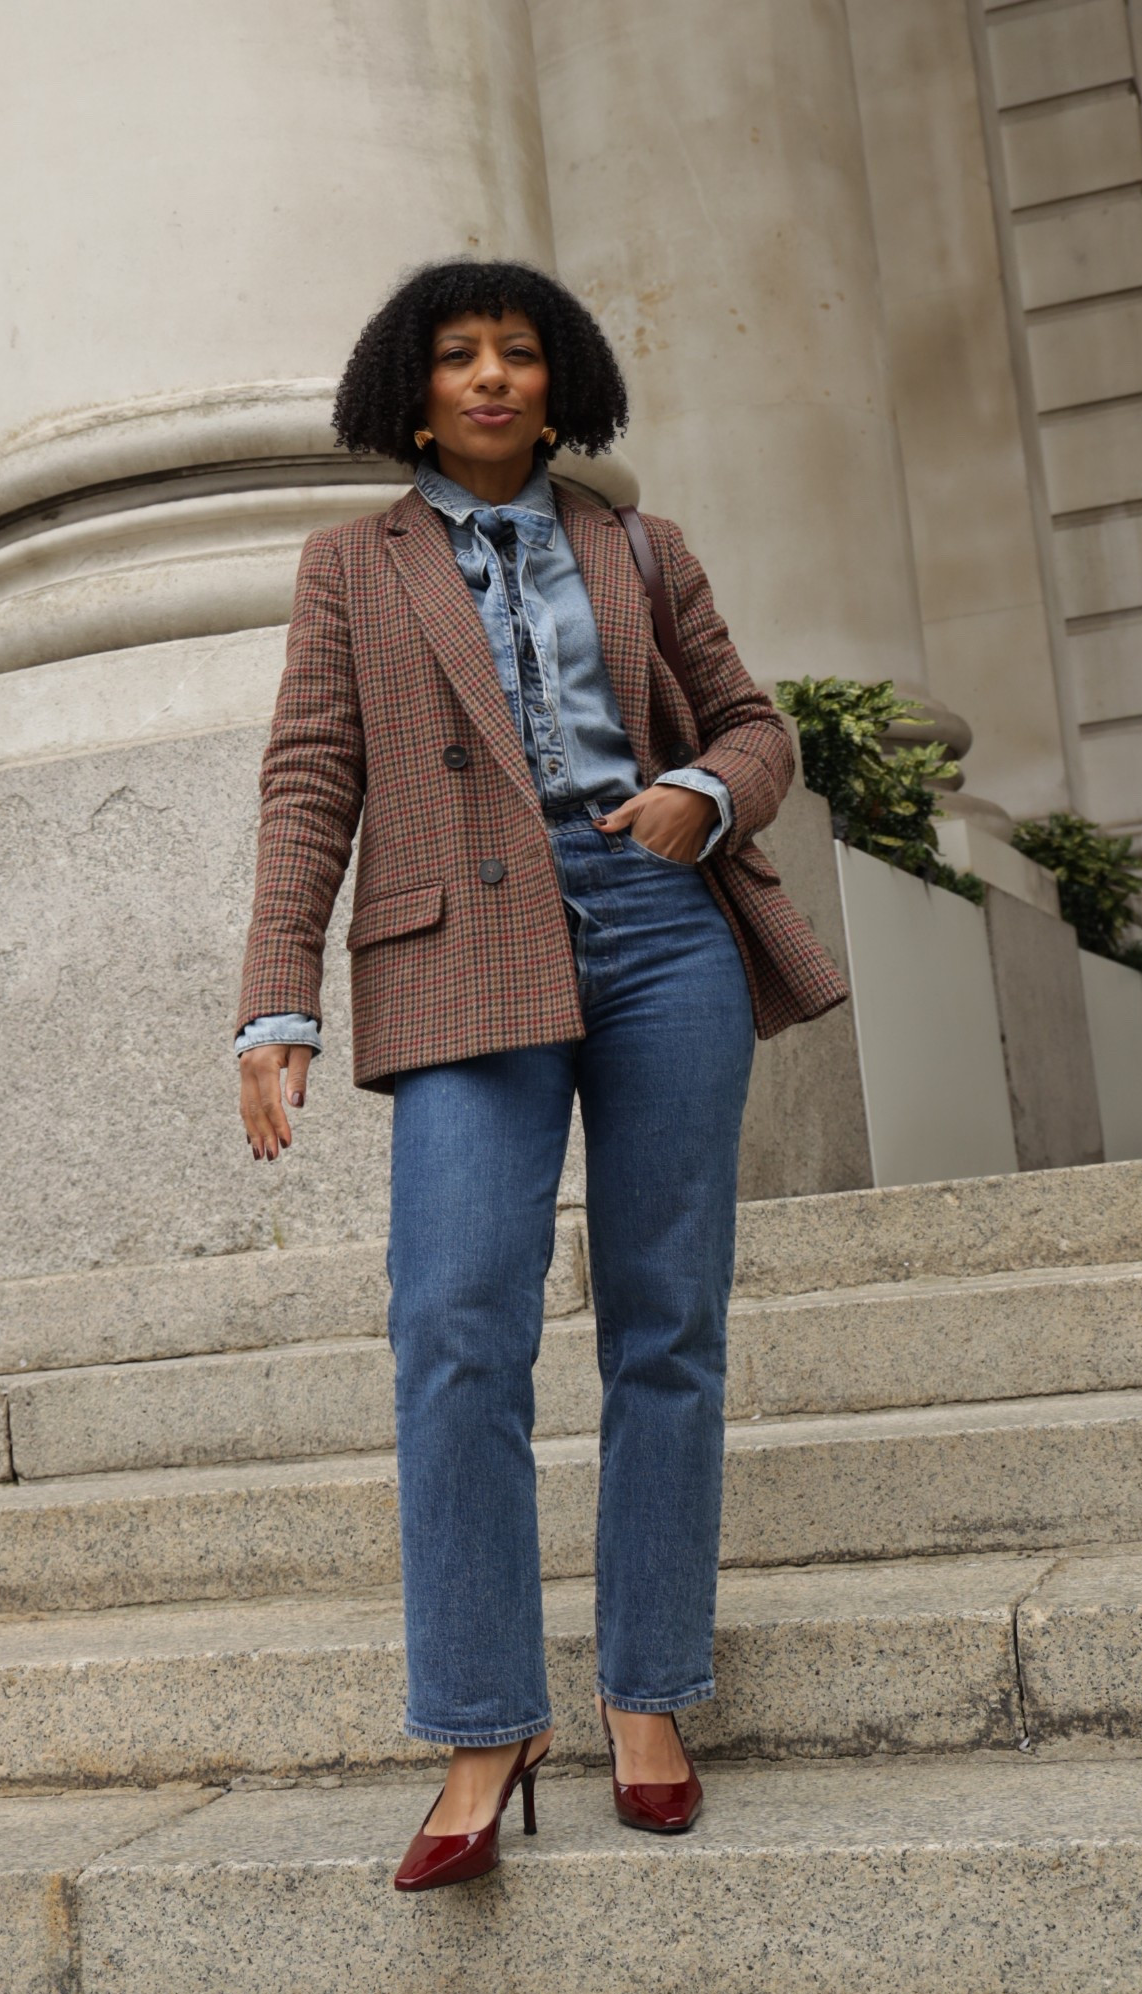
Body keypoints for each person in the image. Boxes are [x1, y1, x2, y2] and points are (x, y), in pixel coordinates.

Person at [234, 258, 848, 1893]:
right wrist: (272, 1006)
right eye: (457, 355)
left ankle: (647, 1696)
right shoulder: (348, 567)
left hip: (655, 929)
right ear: (409, 387)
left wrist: (699, 801)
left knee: (666, 1317)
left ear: (557, 376)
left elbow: (754, 725)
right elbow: (310, 780)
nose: (490, 377)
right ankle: (483, 1723)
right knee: (452, 1324)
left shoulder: (640, 547)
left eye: (517, 353)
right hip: (454, 949)